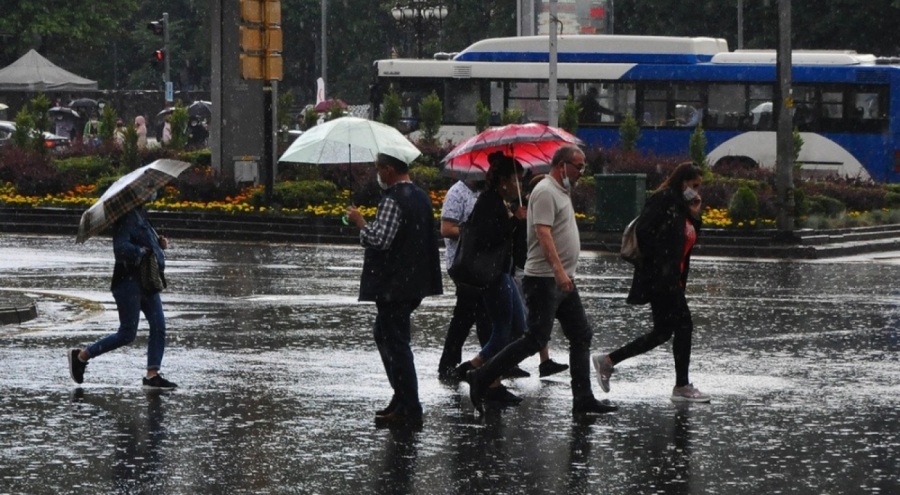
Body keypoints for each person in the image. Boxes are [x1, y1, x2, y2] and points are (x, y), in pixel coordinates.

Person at [467, 145, 617, 416]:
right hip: (546, 279)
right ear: (562, 166)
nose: (582, 171)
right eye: (578, 166)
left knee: (581, 335)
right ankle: (482, 376)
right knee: (535, 338)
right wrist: (559, 271)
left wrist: (564, 273)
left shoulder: (561, 190)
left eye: (584, 167)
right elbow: (543, 233)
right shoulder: (546, 191)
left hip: (561, 279)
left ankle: (582, 398)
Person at [592, 163, 709, 402]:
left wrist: (694, 213)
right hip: (661, 278)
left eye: (699, 187)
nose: (697, 191)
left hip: (672, 278)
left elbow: (687, 236)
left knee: (662, 332)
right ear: (683, 181)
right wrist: (661, 264)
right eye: (694, 185)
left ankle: (608, 360)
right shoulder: (664, 199)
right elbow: (644, 231)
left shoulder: (681, 205)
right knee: (684, 325)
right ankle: (682, 386)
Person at [346, 153, 443, 427]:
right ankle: (401, 398)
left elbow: (380, 239)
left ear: (388, 170)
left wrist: (360, 223)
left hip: (394, 285)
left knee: (396, 343)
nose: (378, 174)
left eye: (379, 169)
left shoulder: (393, 199)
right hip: (412, 283)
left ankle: (409, 406)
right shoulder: (421, 196)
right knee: (386, 334)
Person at [68, 194, 176, 389]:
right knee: (127, 333)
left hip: (147, 282)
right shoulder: (125, 217)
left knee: (159, 325)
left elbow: (146, 242)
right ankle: (81, 356)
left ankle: (152, 375)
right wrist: (142, 251)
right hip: (128, 283)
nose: (151, 194)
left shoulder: (141, 214)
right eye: (147, 191)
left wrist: (159, 244)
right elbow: (121, 247)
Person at [452, 152, 528, 403]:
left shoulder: (499, 202)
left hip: (501, 272)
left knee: (518, 329)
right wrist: (514, 223)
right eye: (516, 179)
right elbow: (489, 238)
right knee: (505, 331)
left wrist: (516, 222)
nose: (519, 185)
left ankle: (476, 367)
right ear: (504, 181)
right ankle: (487, 379)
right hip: (492, 276)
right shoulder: (487, 202)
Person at [436, 178, 493, 382]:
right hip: (463, 264)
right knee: (468, 314)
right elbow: (446, 229)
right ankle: (450, 365)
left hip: (482, 265)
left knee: (480, 314)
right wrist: (474, 232)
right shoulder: (457, 193)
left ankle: (490, 362)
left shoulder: (484, 192)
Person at [515, 173, 569, 378]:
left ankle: (544, 360)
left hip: (530, 269)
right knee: (529, 323)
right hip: (524, 269)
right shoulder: (522, 208)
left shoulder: (534, 208)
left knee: (538, 324)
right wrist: (515, 219)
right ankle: (493, 367)